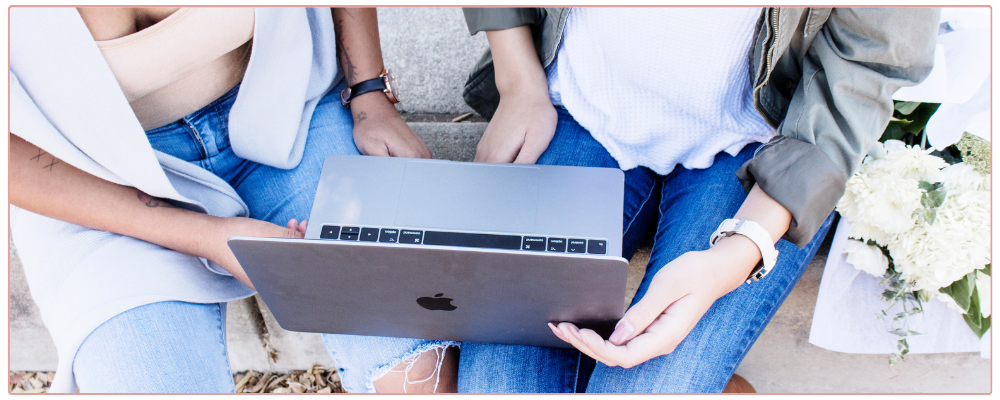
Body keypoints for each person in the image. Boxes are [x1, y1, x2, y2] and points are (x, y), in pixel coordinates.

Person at [448, 7, 940, 392]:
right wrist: (517, 81)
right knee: (498, 388)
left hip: (762, 144)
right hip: (578, 101)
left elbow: (869, 55)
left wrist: (736, 253)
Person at [9, 7, 431, 393]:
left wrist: (370, 91)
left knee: (420, 370)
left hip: (289, 103)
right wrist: (209, 236)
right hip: (95, 177)